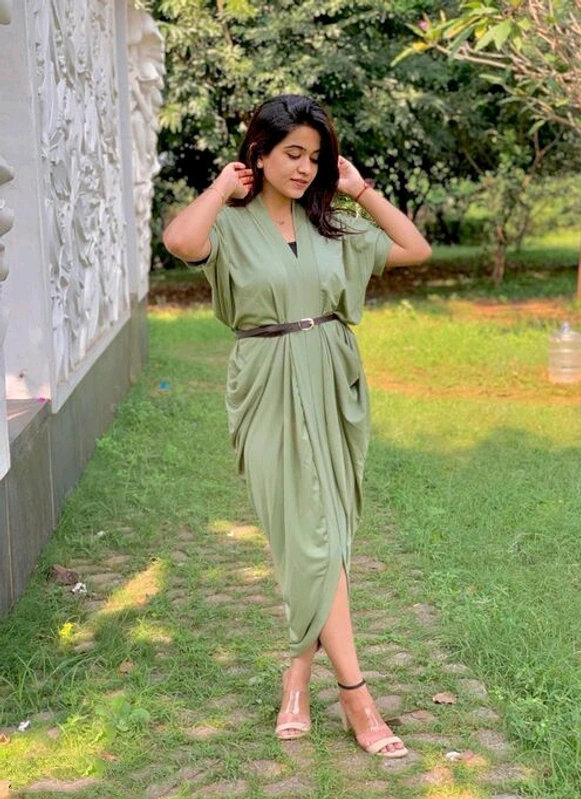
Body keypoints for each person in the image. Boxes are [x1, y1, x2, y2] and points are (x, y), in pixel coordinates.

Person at [163, 94, 431, 758]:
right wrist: (221, 187)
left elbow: (415, 247)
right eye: (292, 153)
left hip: (332, 380)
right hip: (266, 384)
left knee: (328, 536)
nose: (305, 167)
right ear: (259, 153)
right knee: (306, 538)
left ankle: (297, 679)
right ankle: (357, 696)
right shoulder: (229, 224)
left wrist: (360, 189)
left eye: (315, 156)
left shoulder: (332, 224)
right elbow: (180, 242)